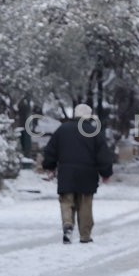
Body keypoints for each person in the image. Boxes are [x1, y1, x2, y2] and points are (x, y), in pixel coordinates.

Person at [41, 103, 113, 244]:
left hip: (66, 173)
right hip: (87, 174)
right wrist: (106, 173)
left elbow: (51, 150)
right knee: (85, 204)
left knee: (66, 202)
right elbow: (103, 155)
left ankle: (68, 224)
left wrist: (49, 166)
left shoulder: (62, 130)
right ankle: (85, 235)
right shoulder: (94, 131)